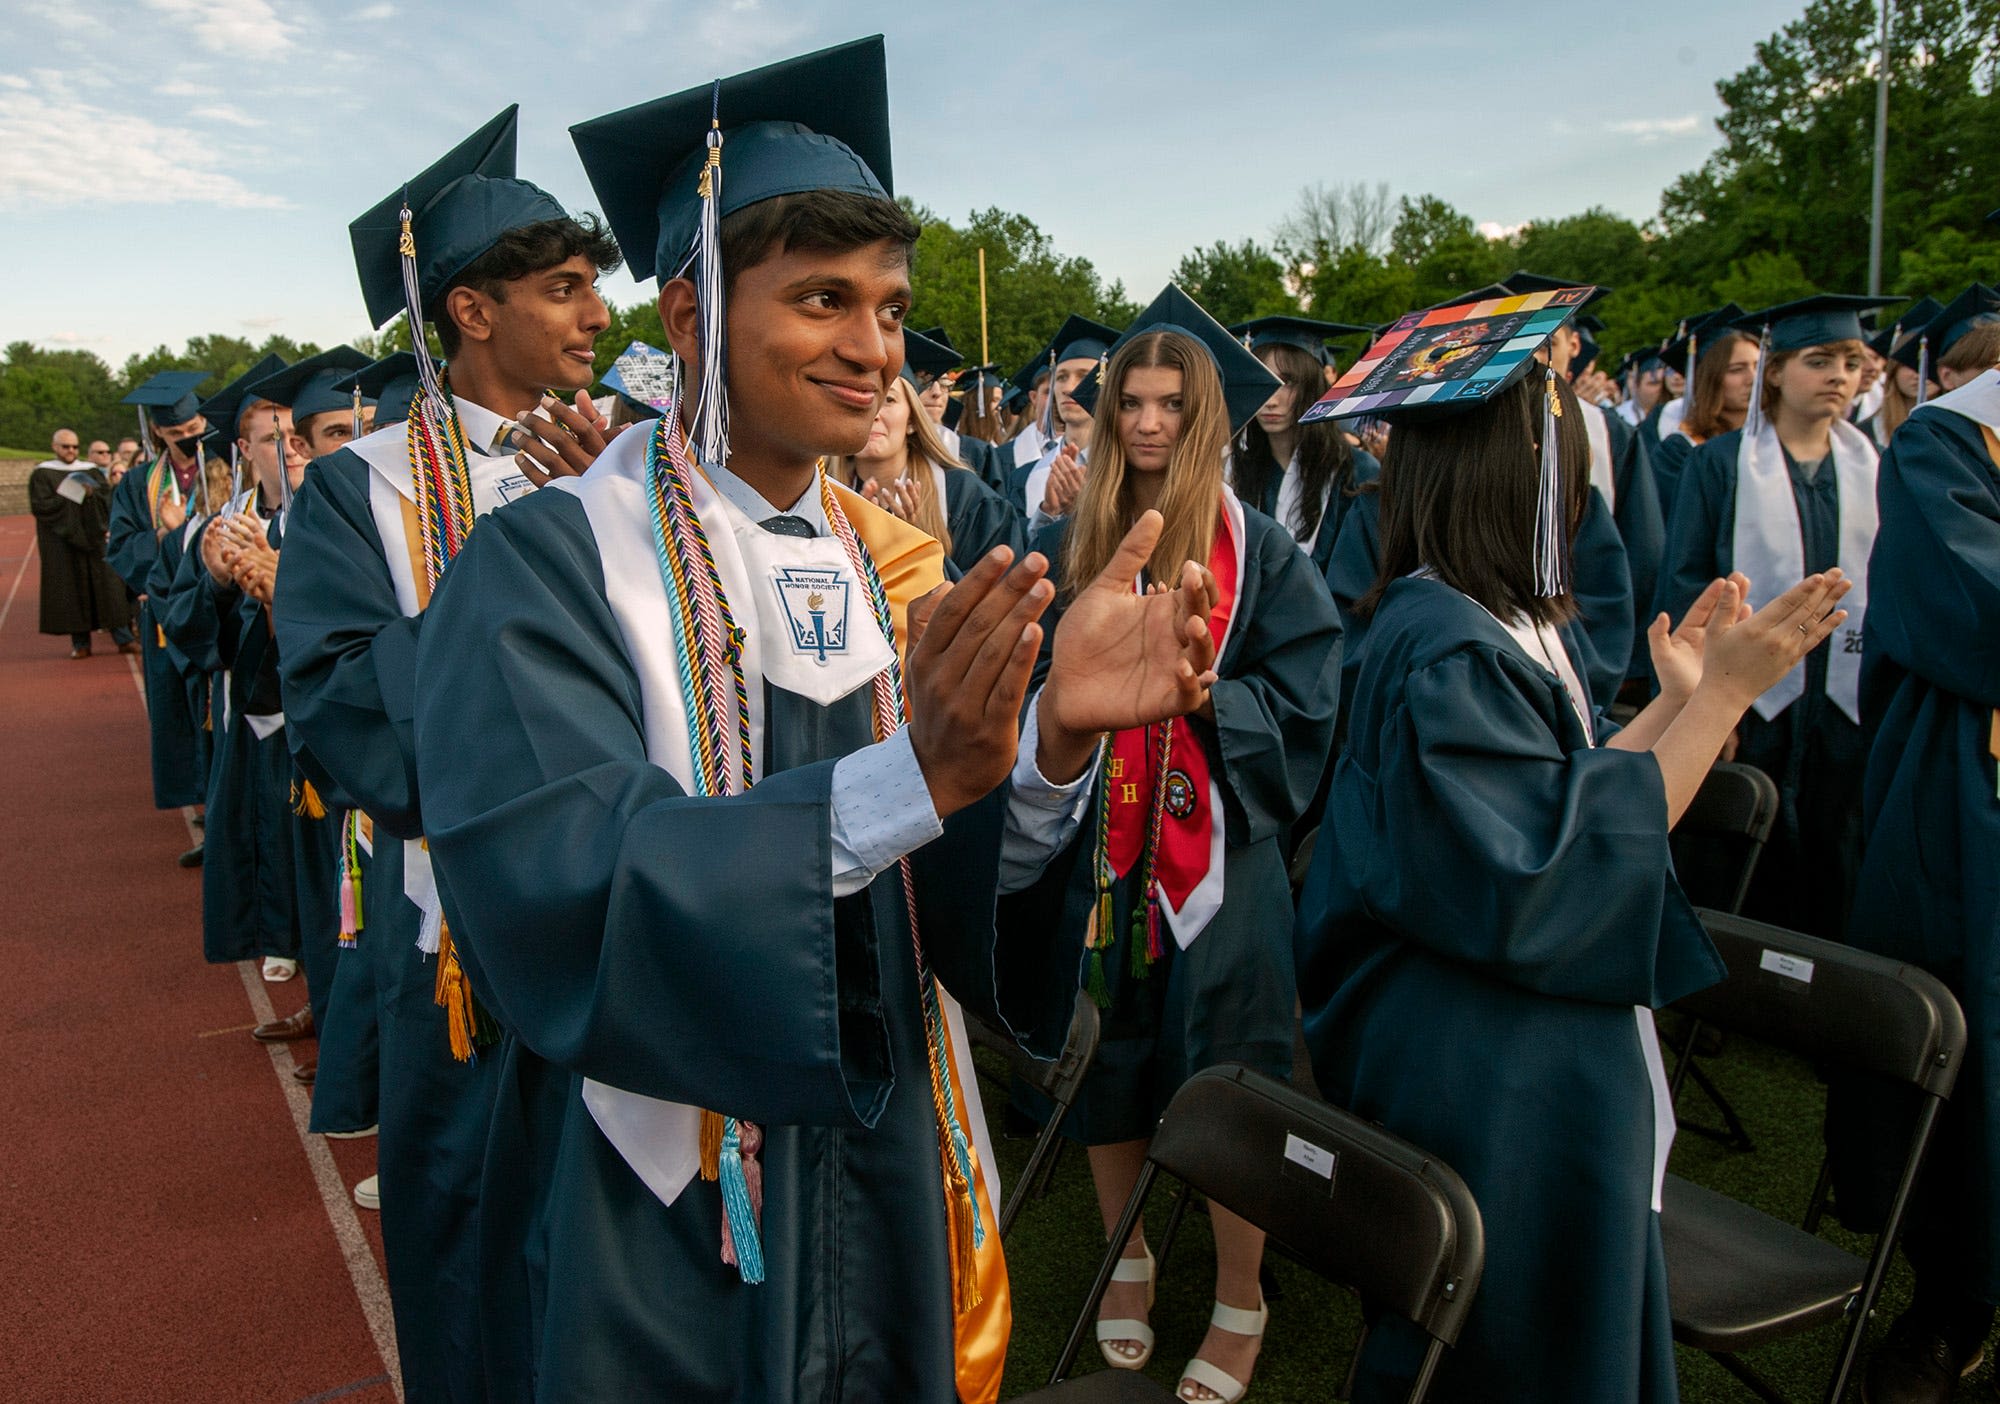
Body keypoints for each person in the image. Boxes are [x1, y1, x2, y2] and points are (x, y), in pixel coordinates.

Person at [416, 38, 1220, 1401]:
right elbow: (572, 888)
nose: (874, 351)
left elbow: (933, 891)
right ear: (689, 318)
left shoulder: (872, 559)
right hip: (661, 1199)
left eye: (892, 309)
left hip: (883, 1146)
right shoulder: (546, 565)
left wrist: (1045, 753)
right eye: (823, 300)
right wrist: (917, 776)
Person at [1296, 292, 1851, 1402]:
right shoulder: (1442, 638)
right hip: (1496, 1067)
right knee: (1519, 1353)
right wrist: (1723, 700)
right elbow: (1544, 875)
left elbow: (1547, 800)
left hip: (1492, 1033)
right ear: (1519, 473)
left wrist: (1669, 708)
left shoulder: (1470, 614)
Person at [271, 106, 620, 1402]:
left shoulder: (637, 460)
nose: (597, 312)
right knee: (475, 1270)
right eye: (564, 287)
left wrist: (607, 511)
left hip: (629, 925)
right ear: (471, 311)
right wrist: (531, 552)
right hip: (456, 956)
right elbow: (354, 727)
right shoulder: (360, 490)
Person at [1001, 285, 1340, 1403]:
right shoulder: (1064, 542)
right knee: (1107, 1058)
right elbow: (1029, 700)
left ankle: (1240, 1294)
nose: (1146, 422)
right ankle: (1127, 1256)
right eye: (1128, 402)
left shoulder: (1268, 556)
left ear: (1207, 419)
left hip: (1220, 858)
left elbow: (1305, 700)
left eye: (1168, 404)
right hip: (1096, 848)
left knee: (1231, 1065)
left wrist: (1200, 700)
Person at [1831, 306, 2000, 1403]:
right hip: (1970, 805)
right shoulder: (1952, 439)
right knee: (1975, 1052)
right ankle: (1954, 1302)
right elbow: (1974, 614)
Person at [1656, 293, 1894, 942]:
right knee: (1745, 828)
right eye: (1819, 361)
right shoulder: (1720, 464)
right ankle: (1731, 966)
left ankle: (1829, 969)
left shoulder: (1876, 465)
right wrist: (1701, 699)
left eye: (1851, 360)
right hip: (1750, 695)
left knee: (1836, 826)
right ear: (1778, 372)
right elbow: (1688, 584)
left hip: (1843, 696)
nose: (1840, 376)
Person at [156, 355, 310, 985]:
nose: (288, 450)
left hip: (324, 710)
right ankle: (284, 938)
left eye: (295, 436)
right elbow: (189, 634)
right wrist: (219, 581)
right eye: (272, 440)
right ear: (244, 449)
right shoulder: (223, 526)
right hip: (260, 714)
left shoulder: (339, 512)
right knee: (272, 833)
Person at [828, 359, 1025, 575]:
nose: (873, 413)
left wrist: (914, 548)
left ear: (912, 419)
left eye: (889, 400)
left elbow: (990, 599)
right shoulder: (820, 495)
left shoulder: (966, 499)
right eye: (860, 396)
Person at [1226, 314, 1378, 576]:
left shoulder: (1357, 473)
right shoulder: (1238, 470)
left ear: (1312, 387)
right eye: (1263, 381)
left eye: (1286, 382)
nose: (1271, 400)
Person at [30, 428, 136, 659]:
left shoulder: (89, 471)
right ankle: (81, 644)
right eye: (66, 446)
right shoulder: (43, 474)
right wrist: (72, 495)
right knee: (73, 591)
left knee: (109, 589)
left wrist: (91, 495)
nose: (71, 451)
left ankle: (124, 639)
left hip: (94, 538)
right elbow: (42, 507)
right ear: (54, 447)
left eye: (75, 447)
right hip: (63, 544)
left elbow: (106, 498)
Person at [1001, 313, 1119, 518]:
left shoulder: (1131, 471)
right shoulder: (1024, 477)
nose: (1069, 388)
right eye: (1061, 377)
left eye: (1084, 376)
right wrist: (1048, 513)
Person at [1653, 326, 1760, 515]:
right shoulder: (1680, 452)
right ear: (1709, 378)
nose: (1753, 378)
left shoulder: (1780, 439)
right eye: (1736, 370)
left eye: (1758, 366)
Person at [1864, 296, 1943, 447]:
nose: (1919, 374)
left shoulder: (1961, 430)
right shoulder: (1865, 435)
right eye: (1909, 363)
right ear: (1893, 369)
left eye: (1929, 364)